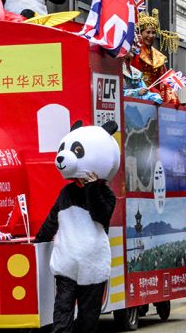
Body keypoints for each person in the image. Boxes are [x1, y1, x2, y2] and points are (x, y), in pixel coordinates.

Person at [34, 120, 119, 333]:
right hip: (67, 263)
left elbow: (101, 216)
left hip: (93, 266)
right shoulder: (66, 192)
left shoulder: (106, 193)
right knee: (62, 312)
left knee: (88, 318)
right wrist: (37, 241)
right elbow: (52, 220)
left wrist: (91, 188)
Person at [131, 9, 180, 105]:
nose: (151, 35)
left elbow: (164, 80)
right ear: (140, 33)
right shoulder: (133, 51)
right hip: (138, 93)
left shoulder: (158, 56)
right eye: (148, 32)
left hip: (155, 97)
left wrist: (174, 101)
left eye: (153, 33)